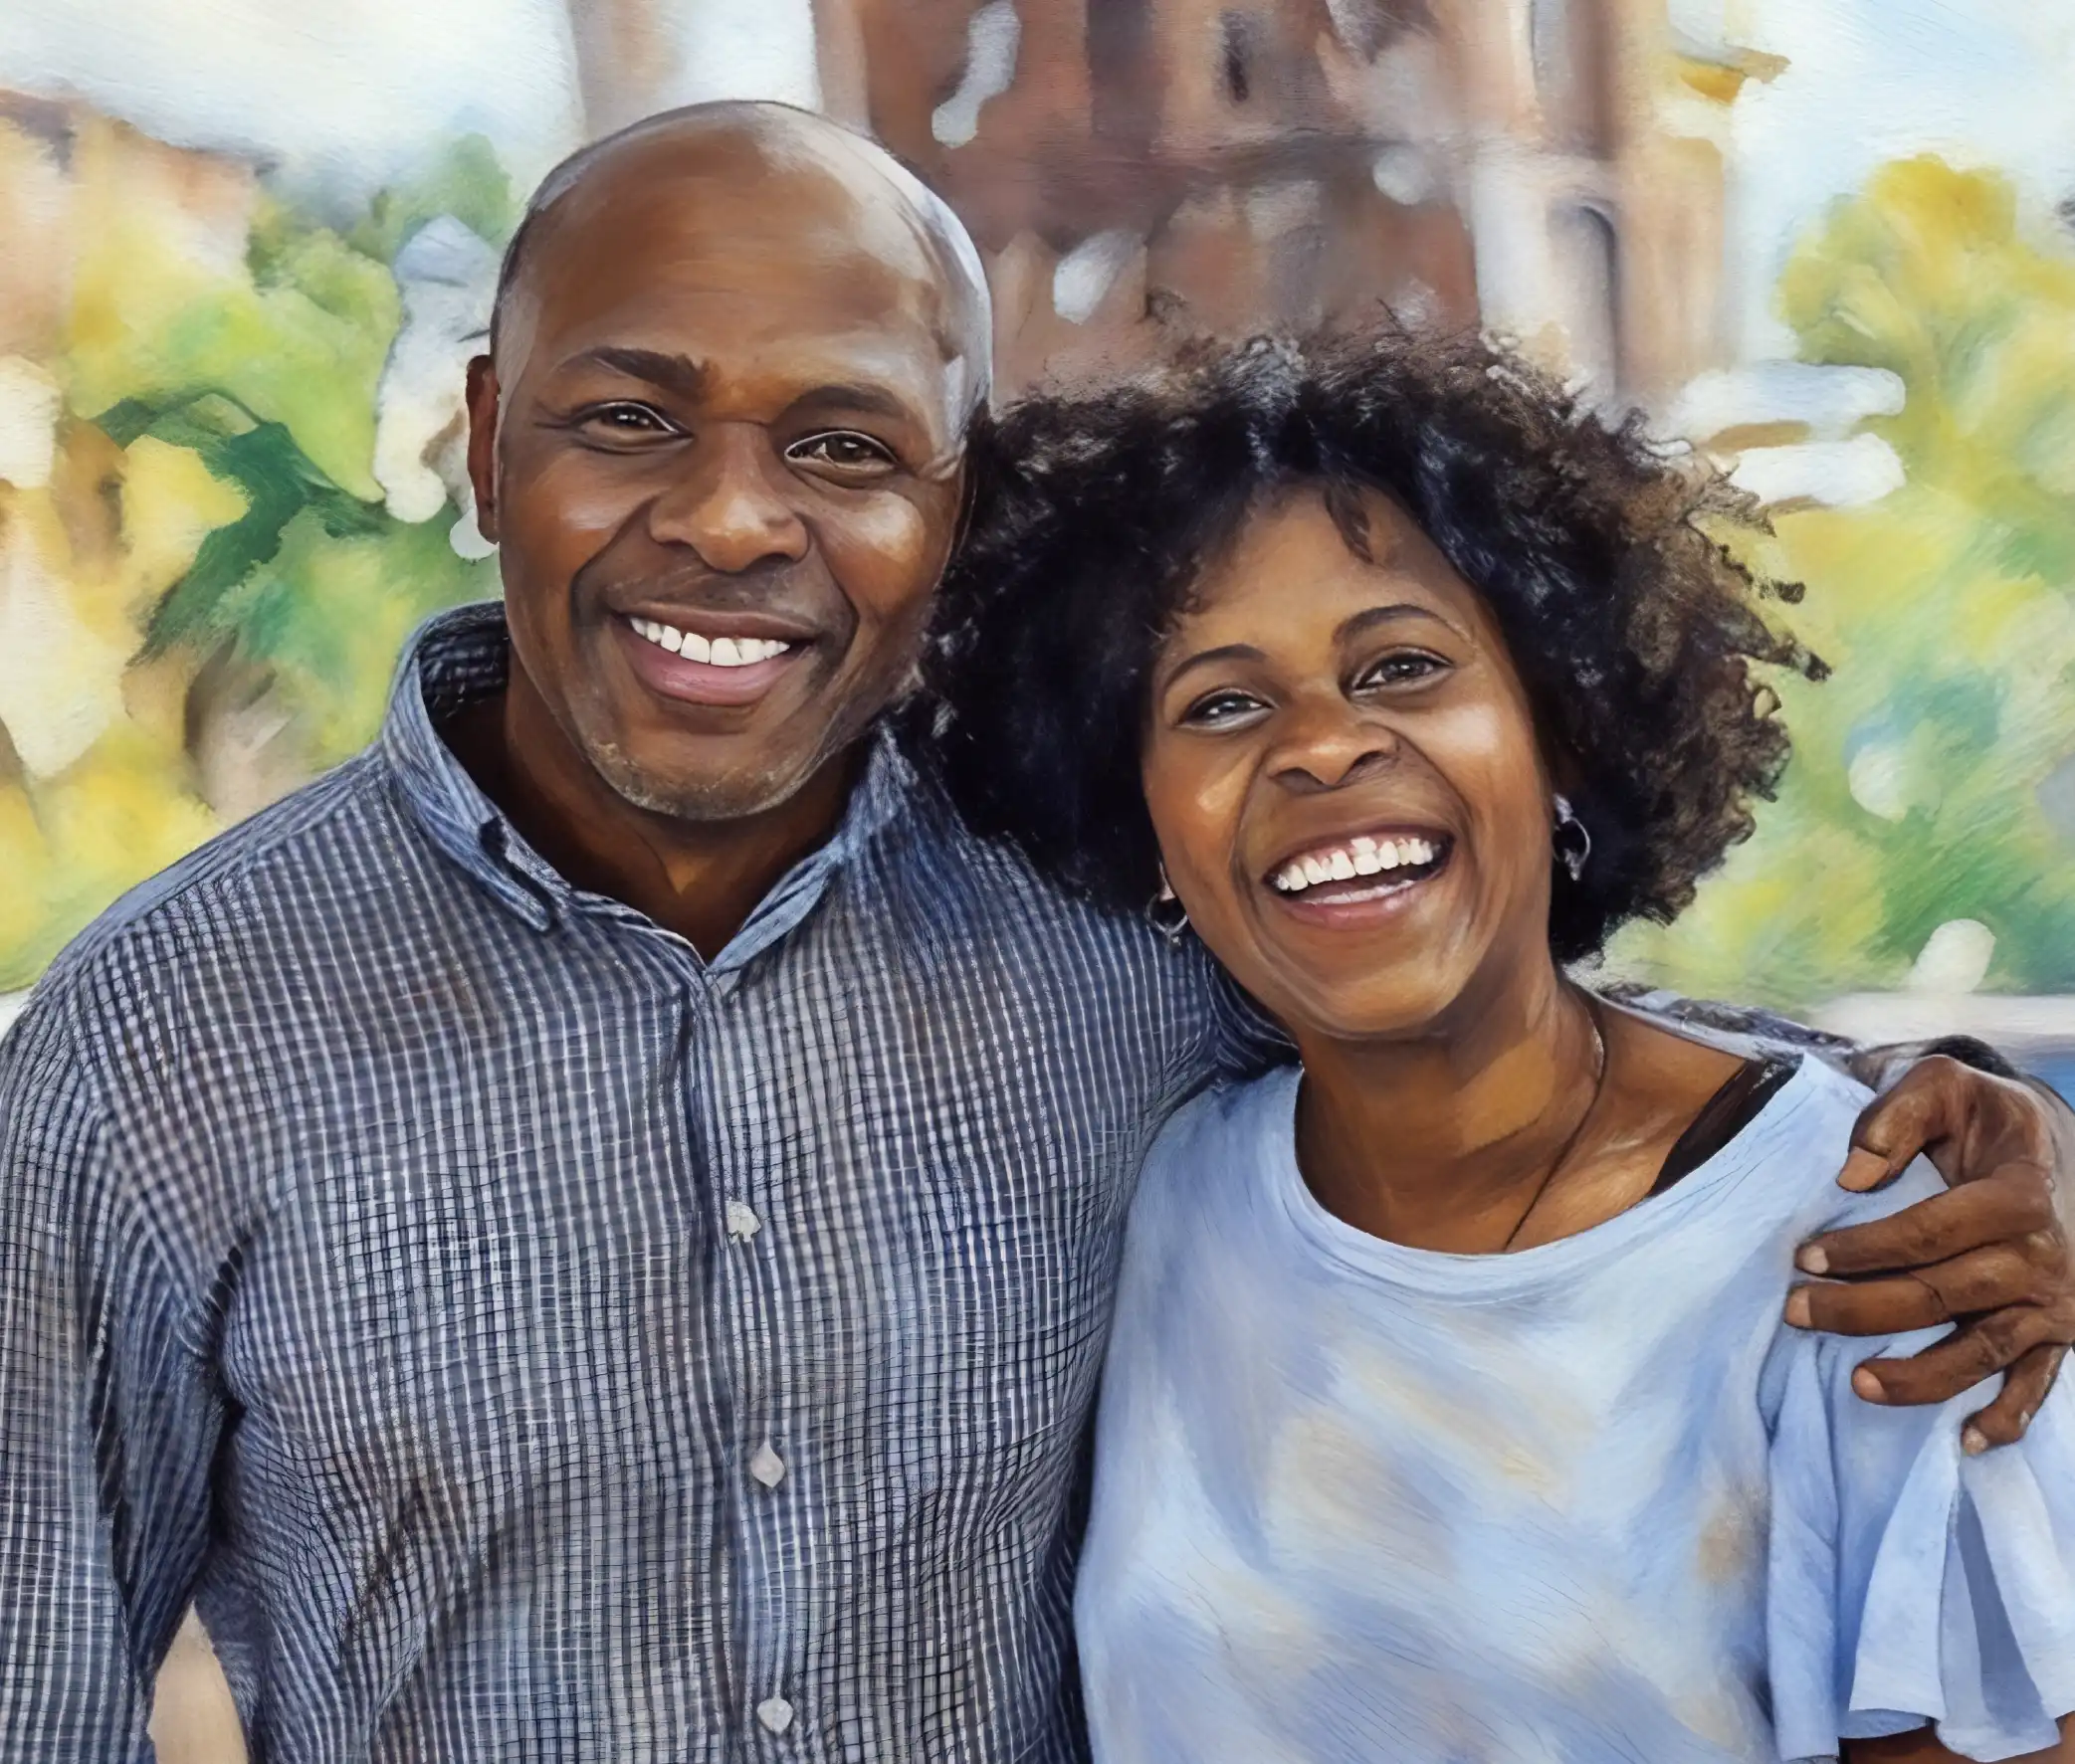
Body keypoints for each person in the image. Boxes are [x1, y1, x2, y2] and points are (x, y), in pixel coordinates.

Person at [0, 103, 2067, 1764]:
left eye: (839, 442)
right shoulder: (158, 1051)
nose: (730, 518)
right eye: (629, 416)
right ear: (483, 436)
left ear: (956, 499)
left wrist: (1939, 1112)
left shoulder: (1103, 927)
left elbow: (1466, 1027)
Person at [925, 330, 2075, 1762]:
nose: (1320, 747)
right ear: (1140, 812)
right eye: (1222, 702)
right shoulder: (1171, 1195)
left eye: (1402, 666)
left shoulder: (1887, 1246)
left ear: (1565, 731)